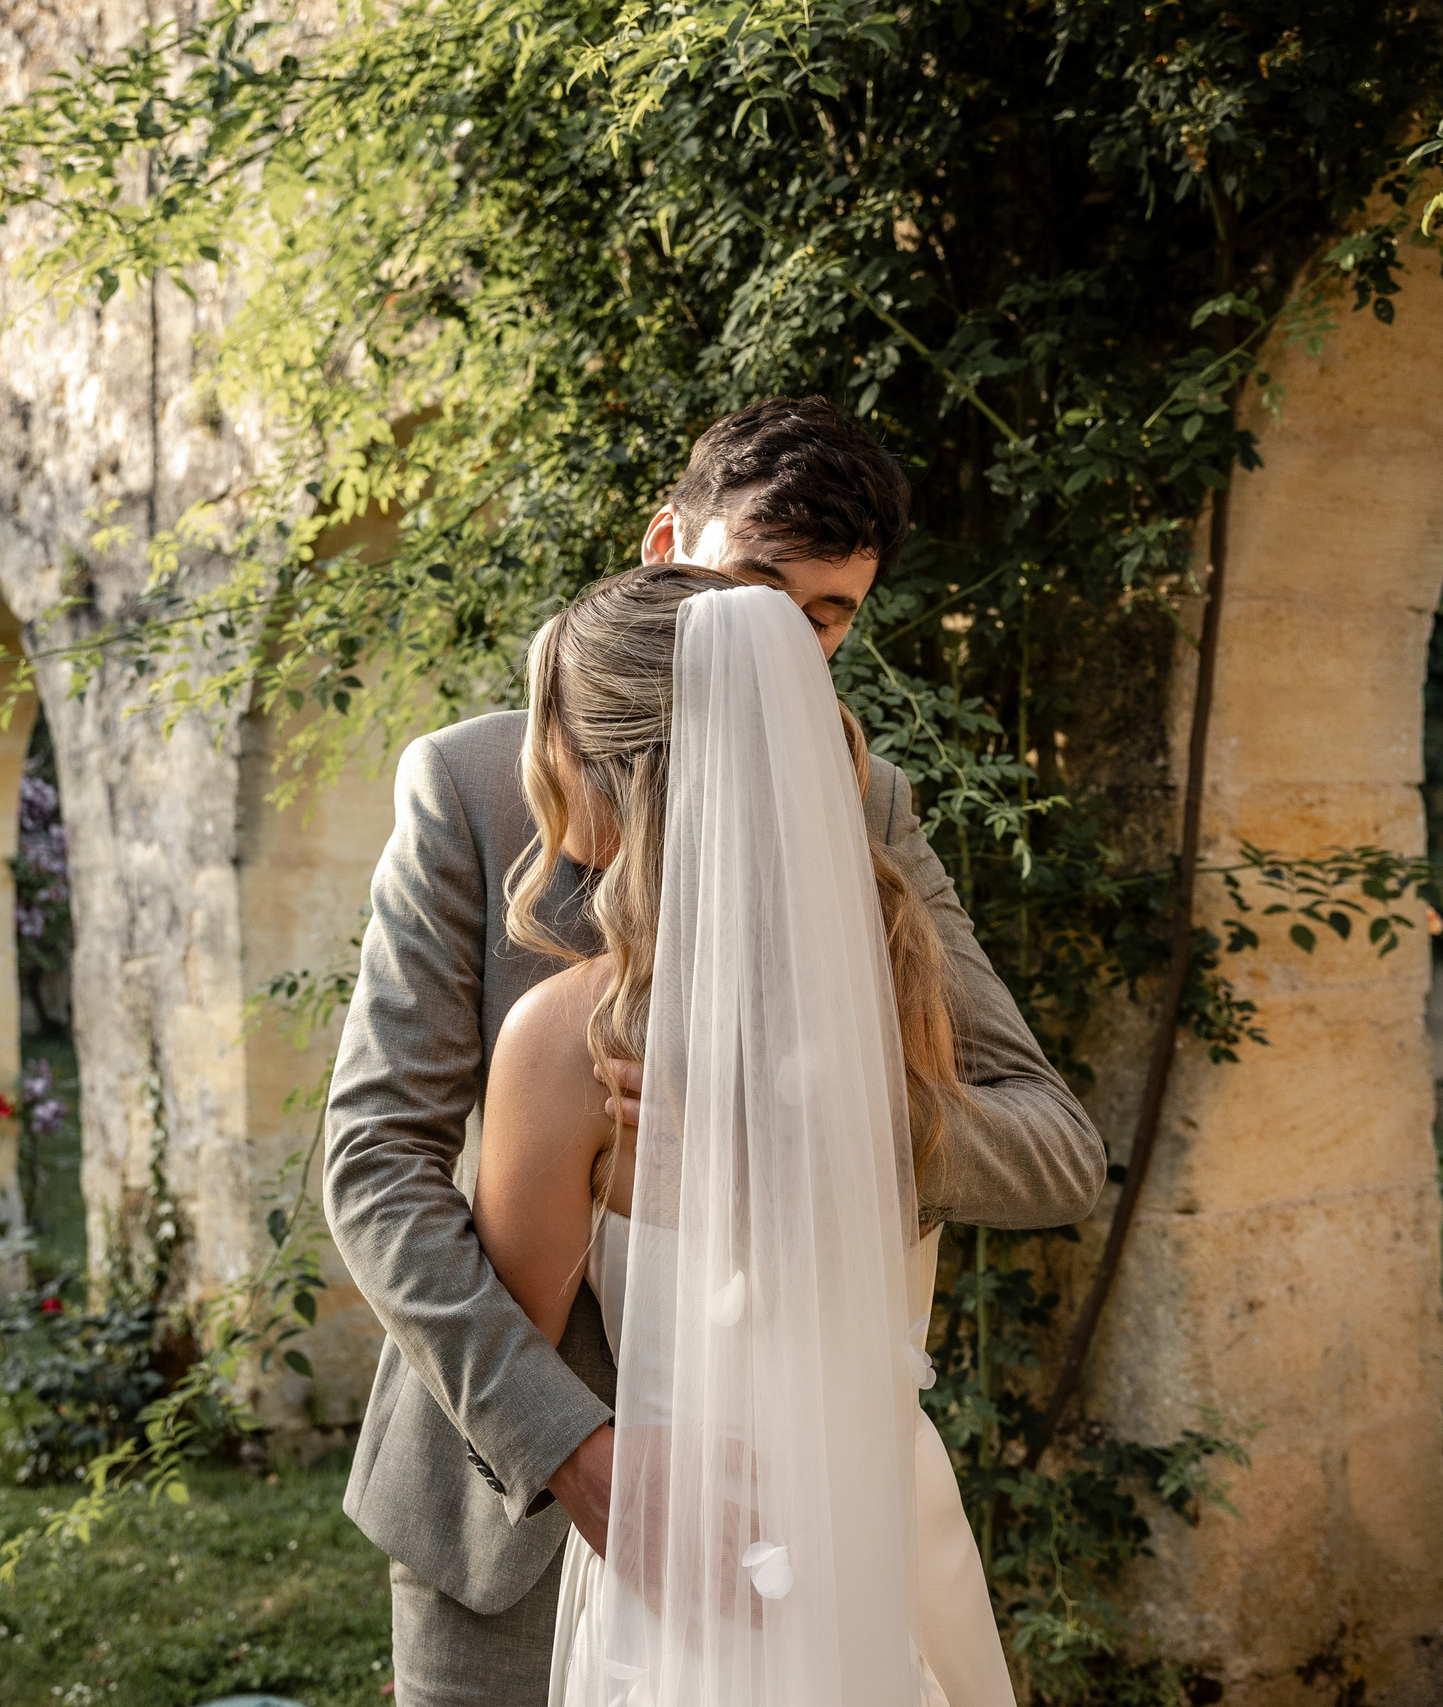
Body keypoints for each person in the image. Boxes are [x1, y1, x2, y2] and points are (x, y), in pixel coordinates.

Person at [324, 396, 1104, 1707]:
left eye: (824, 622)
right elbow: (373, 1159)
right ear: (662, 543)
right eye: (746, 591)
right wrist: (579, 1448)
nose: (782, 656)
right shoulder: (470, 788)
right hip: (510, 1515)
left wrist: (792, 1116)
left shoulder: (864, 809)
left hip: (787, 1517)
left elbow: (1054, 1151)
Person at [481, 568, 1011, 1704]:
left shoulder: (568, 1038)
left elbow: (514, 1333)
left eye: (551, 732)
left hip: (696, 1539)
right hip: (878, 1510)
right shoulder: (888, 987)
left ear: (608, 765)